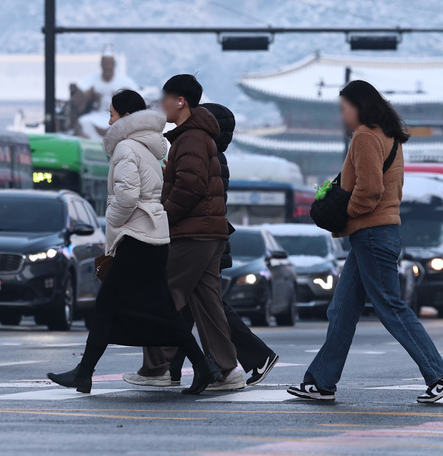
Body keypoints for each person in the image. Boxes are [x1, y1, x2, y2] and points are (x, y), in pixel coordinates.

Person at [288, 80, 443, 404]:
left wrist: (345, 214)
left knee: (390, 306)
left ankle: (440, 375)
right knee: (341, 310)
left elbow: (370, 190)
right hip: (376, 233)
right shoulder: (388, 134)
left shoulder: (366, 136)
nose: (342, 116)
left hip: (372, 233)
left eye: (344, 109)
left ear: (359, 106)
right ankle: (321, 382)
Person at [45, 89, 214, 395]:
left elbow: (126, 195)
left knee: (107, 304)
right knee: (158, 309)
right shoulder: (149, 148)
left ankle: (84, 373)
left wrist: (112, 219)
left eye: (111, 115)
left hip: (136, 237)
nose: (109, 121)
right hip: (153, 237)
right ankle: (203, 367)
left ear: (125, 117)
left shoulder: (125, 147)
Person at [126, 75, 245, 391]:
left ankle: (157, 369)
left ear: (180, 101)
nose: (161, 104)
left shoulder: (191, 138)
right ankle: (227, 370)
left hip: (192, 232)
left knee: (161, 294)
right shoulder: (198, 136)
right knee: (208, 305)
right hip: (209, 233)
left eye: (165, 98)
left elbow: (189, 187)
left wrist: (164, 216)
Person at [167, 102, 280, 386]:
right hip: (210, 238)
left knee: (208, 307)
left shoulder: (207, 154)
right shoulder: (214, 153)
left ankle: (257, 355)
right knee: (192, 307)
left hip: (201, 239)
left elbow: (194, 195)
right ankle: (171, 369)